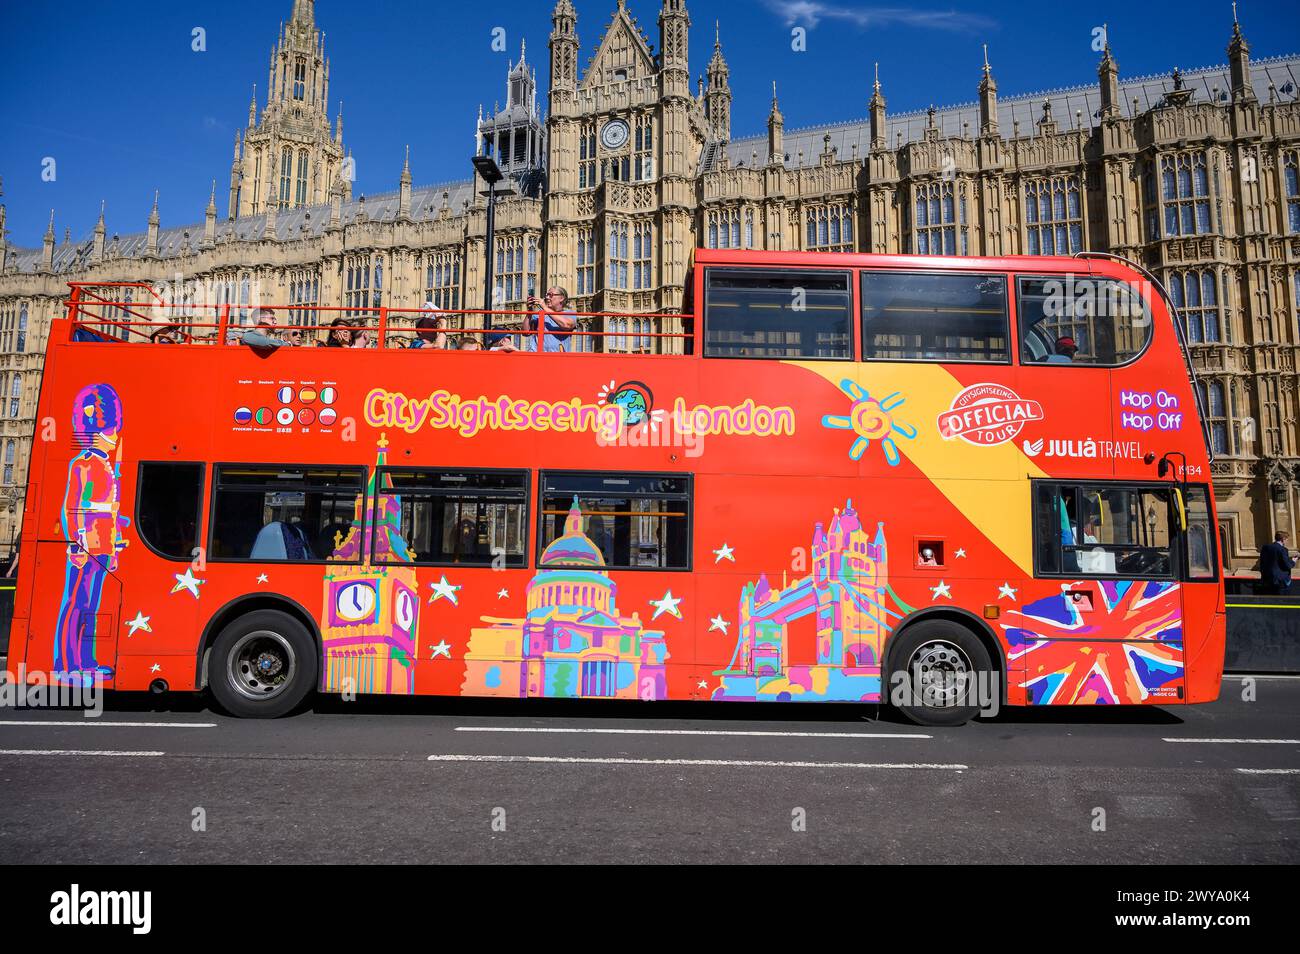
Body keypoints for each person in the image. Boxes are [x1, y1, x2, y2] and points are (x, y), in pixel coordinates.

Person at [522, 287, 577, 352]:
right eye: (546, 295)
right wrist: (529, 311)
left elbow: (567, 325)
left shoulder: (569, 313)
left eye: (551, 295)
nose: (547, 297)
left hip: (557, 356)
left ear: (561, 298)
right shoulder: (539, 314)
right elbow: (525, 332)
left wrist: (544, 307)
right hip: (536, 355)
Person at [1259, 531, 1296, 595]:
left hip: (1267, 578)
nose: (1286, 542)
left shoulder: (1265, 547)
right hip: (1280, 581)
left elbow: (1262, 562)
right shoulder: (1283, 549)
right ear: (1283, 539)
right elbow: (1287, 565)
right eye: (1286, 539)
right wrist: (1293, 561)